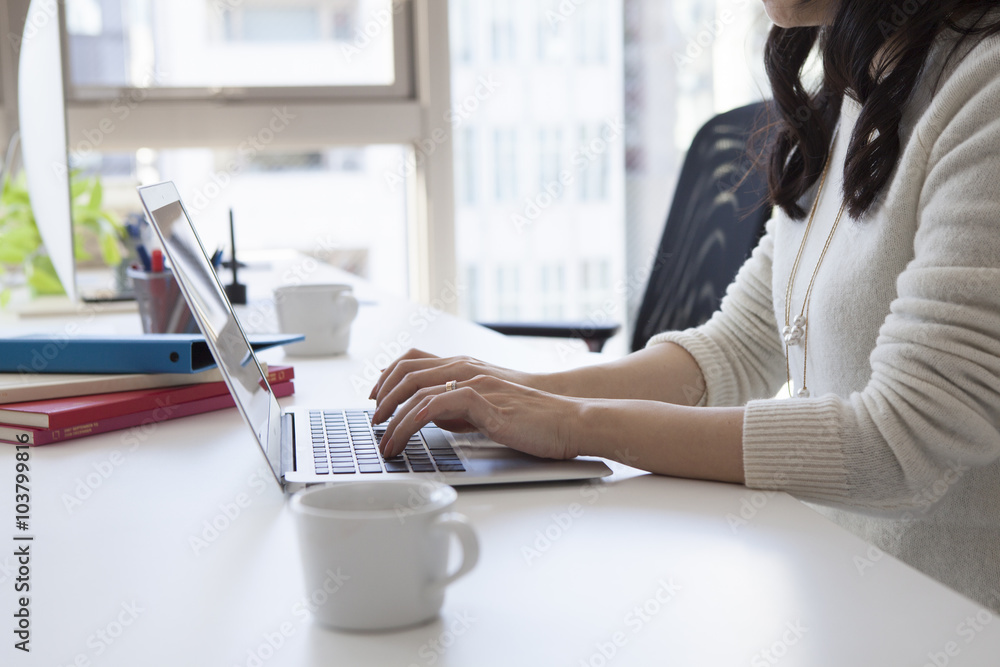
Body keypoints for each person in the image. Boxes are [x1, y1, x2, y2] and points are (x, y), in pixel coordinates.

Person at [372, 0, 1000, 613]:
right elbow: (743, 341)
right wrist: (520, 392)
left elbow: (905, 444)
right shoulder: (868, 72)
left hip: (944, 622)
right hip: (828, 594)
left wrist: (574, 425)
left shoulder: (983, 89)